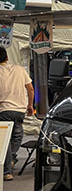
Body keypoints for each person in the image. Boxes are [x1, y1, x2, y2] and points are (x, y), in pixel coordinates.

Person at [0, 47, 34, 181]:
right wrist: (30, 105)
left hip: (4, 110)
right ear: (7, 57)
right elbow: (30, 89)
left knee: (5, 141)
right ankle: (12, 159)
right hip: (19, 110)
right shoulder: (20, 69)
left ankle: (7, 171)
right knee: (17, 135)